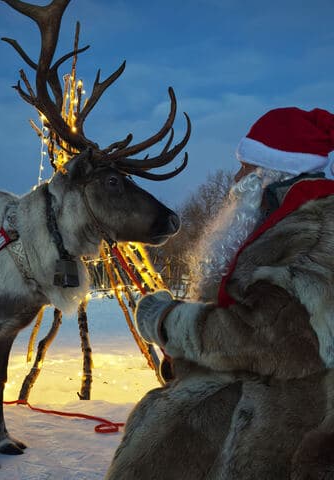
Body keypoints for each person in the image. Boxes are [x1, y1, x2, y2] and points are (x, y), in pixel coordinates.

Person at [106, 107, 334, 480]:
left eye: (246, 165)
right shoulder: (286, 223)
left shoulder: (314, 233)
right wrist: (187, 355)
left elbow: (270, 340)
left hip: (278, 436)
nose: (236, 176)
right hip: (261, 413)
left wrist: (166, 321)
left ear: (272, 171)